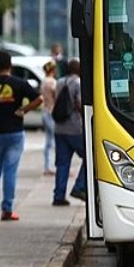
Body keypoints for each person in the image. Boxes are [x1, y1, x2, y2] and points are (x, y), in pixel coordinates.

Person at [0, 51, 43, 221]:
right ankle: (7, 209)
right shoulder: (19, 83)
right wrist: (23, 110)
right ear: (10, 65)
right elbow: (39, 98)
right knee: (10, 171)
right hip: (14, 132)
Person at [52, 59, 87, 205]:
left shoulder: (59, 82)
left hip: (59, 128)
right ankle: (79, 186)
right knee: (90, 157)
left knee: (62, 163)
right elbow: (79, 103)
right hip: (74, 128)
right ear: (78, 69)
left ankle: (59, 196)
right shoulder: (78, 83)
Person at [40, 60, 58, 175]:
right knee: (53, 141)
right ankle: (52, 166)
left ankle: (47, 165)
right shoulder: (52, 82)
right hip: (52, 112)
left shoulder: (43, 81)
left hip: (45, 111)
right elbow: (56, 95)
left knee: (48, 141)